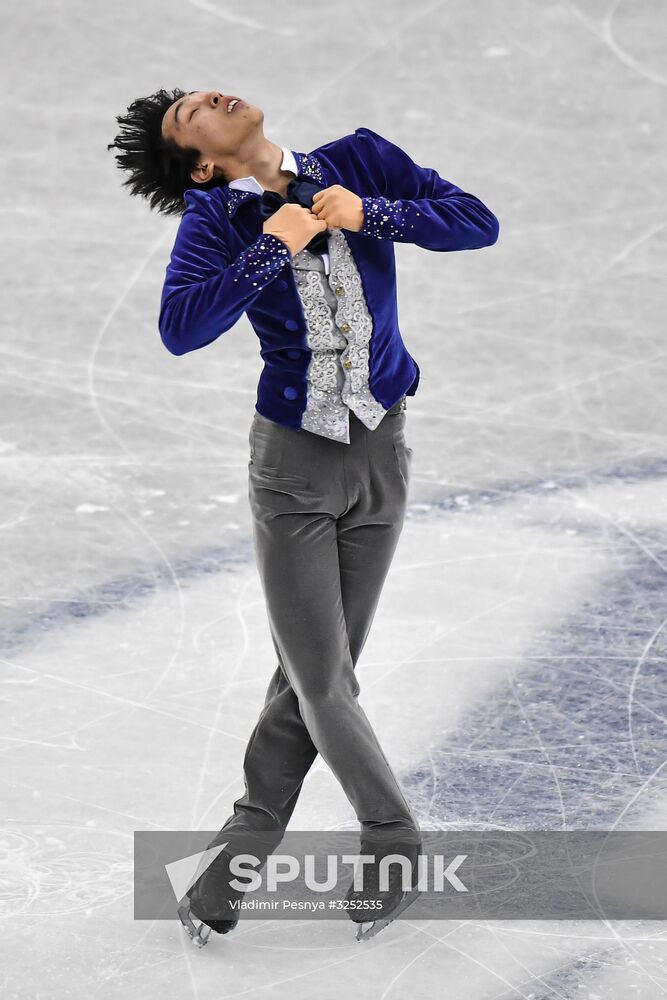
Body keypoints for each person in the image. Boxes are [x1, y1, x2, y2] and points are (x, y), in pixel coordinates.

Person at [107, 89, 499, 942]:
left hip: (383, 455)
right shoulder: (215, 217)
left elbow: (475, 221)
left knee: (311, 678)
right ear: (203, 162)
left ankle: (231, 863)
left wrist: (375, 214)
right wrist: (269, 249)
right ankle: (392, 836)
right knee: (324, 678)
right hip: (293, 473)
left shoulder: (358, 159)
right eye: (188, 117)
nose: (205, 96)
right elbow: (179, 328)